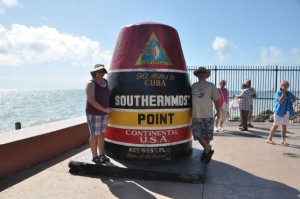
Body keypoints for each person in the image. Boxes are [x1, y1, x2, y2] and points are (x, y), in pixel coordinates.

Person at [191, 67, 220, 164]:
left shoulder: (211, 86)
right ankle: (208, 149)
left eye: (204, 72)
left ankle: (205, 152)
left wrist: (218, 111)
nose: (202, 73)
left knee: (207, 137)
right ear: (197, 74)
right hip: (195, 115)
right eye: (200, 72)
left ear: (206, 74)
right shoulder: (193, 86)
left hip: (208, 115)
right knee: (197, 135)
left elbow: (216, 100)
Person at [85, 64, 112, 164]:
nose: (100, 73)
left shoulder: (105, 82)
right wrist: (105, 110)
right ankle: (95, 156)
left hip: (104, 112)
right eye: (98, 71)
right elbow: (91, 101)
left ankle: (101, 154)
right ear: (94, 73)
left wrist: (107, 109)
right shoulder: (90, 84)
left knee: (101, 134)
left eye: (102, 72)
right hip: (94, 113)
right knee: (94, 134)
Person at [266, 80, 297, 145]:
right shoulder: (278, 93)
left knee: (284, 126)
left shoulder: (289, 93)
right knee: (276, 125)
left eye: (287, 86)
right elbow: (280, 101)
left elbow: (295, 98)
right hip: (279, 111)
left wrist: (292, 101)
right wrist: (283, 94)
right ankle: (269, 139)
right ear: (281, 86)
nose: (285, 87)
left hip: (286, 111)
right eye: (284, 85)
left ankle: (283, 140)